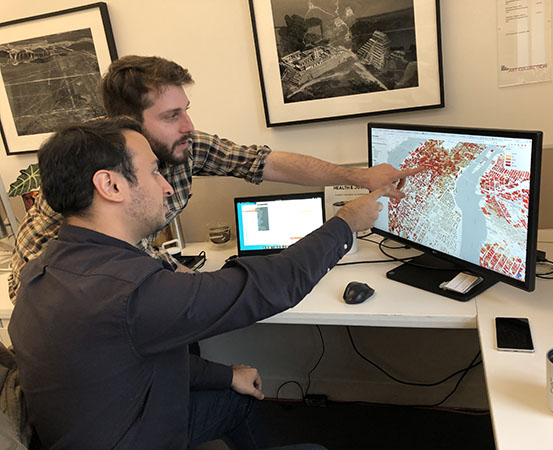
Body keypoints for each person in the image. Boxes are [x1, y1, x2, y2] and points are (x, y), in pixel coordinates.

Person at [7, 56, 422, 447]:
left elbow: (264, 163)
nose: (168, 188)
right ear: (111, 184)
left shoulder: (101, 262)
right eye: (171, 116)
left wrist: (222, 375)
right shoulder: (96, 277)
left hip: (114, 348)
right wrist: (346, 221)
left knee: (200, 378)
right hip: (121, 403)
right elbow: (265, 288)